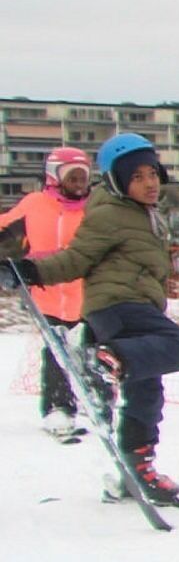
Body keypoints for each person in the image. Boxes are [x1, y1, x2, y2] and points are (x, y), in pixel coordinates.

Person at [2, 134, 179, 505]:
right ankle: (99, 355)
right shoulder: (110, 214)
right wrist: (28, 271)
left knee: (146, 392)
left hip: (137, 309)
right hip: (120, 307)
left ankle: (136, 469)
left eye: (152, 174)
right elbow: (76, 258)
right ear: (116, 180)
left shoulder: (145, 214)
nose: (149, 183)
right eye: (137, 177)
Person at [1, 147, 93, 440]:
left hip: (87, 296)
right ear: (54, 177)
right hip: (48, 294)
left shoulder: (95, 209)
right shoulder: (36, 204)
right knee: (57, 348)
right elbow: (6, 228)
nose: (78, 183)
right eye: (72, 177)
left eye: (83, 177)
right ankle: (58, 407)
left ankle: (97, 399)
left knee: (91, 349)